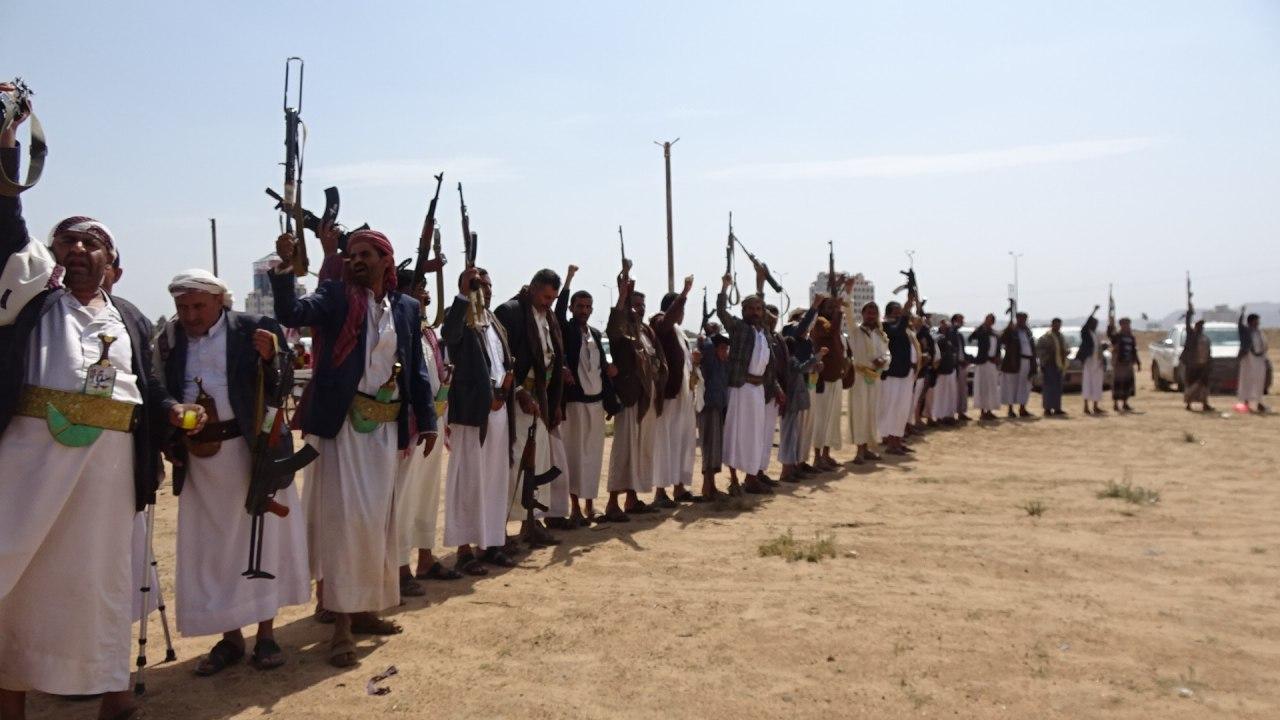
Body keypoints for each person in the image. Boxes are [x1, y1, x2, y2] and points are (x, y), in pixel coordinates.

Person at [1, 96, 199, 720]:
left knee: (103, 582)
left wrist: (172, 413)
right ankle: (11, 700)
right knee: (23, 575)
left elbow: (151, 387)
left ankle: (112, 695)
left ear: (112, 263)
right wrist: (7, 146)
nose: (79, 249)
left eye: (93, 243)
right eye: (67, 241)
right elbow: (6, 223)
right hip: (33, 468)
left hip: (111, 476)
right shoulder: (31, 303)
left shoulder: (131, 318)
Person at [271, 228, 437, 668]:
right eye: (352, 254)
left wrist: (427, 422)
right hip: (342, 429)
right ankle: (342, 625)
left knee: (376, 524)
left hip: (385, 430)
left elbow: (415, 370)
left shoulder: (406, 307)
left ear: (386, 261)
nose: (356, 260)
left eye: (366, 254)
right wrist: (286, 267)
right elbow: (291, 311)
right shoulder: (335, 297)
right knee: (345, 524)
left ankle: (365, 610)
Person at [160, 270, 310, 675]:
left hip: (253, 453)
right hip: (201, 459)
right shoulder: (170, 339)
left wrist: (271, 358)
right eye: (182, 307)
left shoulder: (254, 328)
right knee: (215, 550)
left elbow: (283, 386)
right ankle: (230, 637)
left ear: (219, 301)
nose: (190, 315)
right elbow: (162, 390)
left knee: (262, 543)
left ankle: (266, 635)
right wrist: (171, 439)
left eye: (198, 306)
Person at [441, 266, 516, 574]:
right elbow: (449, 337)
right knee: (468, 480)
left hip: (500, 410)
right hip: (473, 413)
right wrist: (463, 295)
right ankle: (464, 550)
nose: (485, 290)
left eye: (488, 285)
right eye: (478, 285)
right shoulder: (458, 316)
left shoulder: (494, 321)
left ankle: (490, 543)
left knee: (495, 480)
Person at [392, 267, 460, 591]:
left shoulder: (428, 332)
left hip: (433, 422)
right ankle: (399, 568)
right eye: (419, 289)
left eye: (426, 289)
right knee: (404, 498)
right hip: (410, 428)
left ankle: (426, 558)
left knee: (427, 496)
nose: (426, 296)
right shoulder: (398, 330)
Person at [495, 269, 569, 544]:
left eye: (553, 298)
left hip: (541, 401)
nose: (549, 303)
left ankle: (531, 523)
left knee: (538, 464)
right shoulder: (510, 312)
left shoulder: (549, 317)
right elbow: (499, 359)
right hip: (516, 403)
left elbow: (553, 360)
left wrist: (555, 402)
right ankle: (498, 530)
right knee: (512, 464)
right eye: (546, 297)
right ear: (534, 288)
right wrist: (517, 391)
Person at [555, 266, 620, 525]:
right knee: (574, 456)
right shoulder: (566, 329)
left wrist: (610, 399)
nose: (584, 310)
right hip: (575, 406)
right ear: (572, 308)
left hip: (596, 404)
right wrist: (568, 279)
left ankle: (590, 506)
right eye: (579, 306)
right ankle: (574, 508)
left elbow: (601, 368)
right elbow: (558, 311)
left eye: (587, 306)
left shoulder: (595, 334)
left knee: (593, 457)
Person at [716, 269, 783, 495]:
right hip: (740, 388)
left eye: (758, 309)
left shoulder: (764, 332)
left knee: (755, 436)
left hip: (758, 390)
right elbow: (721, 312)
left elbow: (768, 365)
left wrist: (760, 283)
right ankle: (734, 480)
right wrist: (725, 287)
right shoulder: (739, 328)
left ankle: (752, 478)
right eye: (750, 309)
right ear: (743, 311)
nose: (755, 312)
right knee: (736, 433)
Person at [605, 270, 663, 519]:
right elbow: (613, 326)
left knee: (640, 451)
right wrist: (622, 296)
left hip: (647, 399)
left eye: (642, 305)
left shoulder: (646, 332)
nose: (640, 309)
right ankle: (612, 504)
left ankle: (632, 498)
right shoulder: (622, 331)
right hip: (630, 399)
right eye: (635, 304)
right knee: (624, 450)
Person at [650, 277, 699, 505]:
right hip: (668, 396)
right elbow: (666, 322)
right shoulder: (659, 321)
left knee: (683, 441)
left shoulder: (680, 332)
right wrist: (684, 293)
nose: (682, 313)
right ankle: (660, 492)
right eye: (680, 308)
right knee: (665, 442)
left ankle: (679, 488)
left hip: (684, 396)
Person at [778, 298, 824, 481]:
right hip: (792, 388)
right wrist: (814, 307)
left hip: (807, 386)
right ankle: (788, 467)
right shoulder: (790, 331)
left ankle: (800, 462)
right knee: (792, 430)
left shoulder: (807, 341)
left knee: (805, 428)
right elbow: (800, 329)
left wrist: (816, 365)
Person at [809, 279, 852, 470]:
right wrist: (839, 311)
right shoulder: (820, 323)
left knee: (832, 419)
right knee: (821, 419)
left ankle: (826, 455)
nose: (833, 309)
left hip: (835, 378)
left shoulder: (834, 326)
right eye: (830, 307)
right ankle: (817, 457)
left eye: (834, 307)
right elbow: (832, 332)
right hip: (823, 380)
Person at [875, 294, 917, 454]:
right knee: (892, 408)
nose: (900, 314)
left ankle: (897, 439)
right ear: (889, 313)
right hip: (892, 375)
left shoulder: (905, 327)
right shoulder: (885, 326)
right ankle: (891, 442)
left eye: (901, 311)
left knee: (902, 409)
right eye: (897, 311)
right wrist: (906, 311)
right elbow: (897, 331)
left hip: (905, 373)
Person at [848, 301, 888, 462]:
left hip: (875, 377)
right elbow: (848, 312)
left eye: (874, 312)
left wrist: (883, 360)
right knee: (860, 412)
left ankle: (867, 449)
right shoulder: (855, 331)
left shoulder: (880, 334)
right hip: (859, 378)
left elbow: (887, 353)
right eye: (868, 312)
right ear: (863, 314)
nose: (871, 316)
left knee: (872, 413)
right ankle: (859, 450)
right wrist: (847, 293)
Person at [697, 334, 731, 498]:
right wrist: (710, 337)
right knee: (708, 446)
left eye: (726, 349)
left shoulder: (722, 365)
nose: (725, 352)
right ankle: (706, 487)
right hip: (708, 408)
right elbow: (708, 348)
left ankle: (712, 486)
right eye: (722, 349)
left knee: (715, 447)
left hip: (718, 408)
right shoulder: (710, 363)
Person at [1000, 311, 1036, 418]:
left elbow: (1032, 348)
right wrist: (1008, 329)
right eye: (1021, 319)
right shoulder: (1012, 331)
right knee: (1011, 386)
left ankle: (1022, 408)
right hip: (1014, 362)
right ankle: (1010, 409)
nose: (1023, 321)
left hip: (1026, 361)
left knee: (1024, 385)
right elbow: (1002, 340)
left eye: (1024, 319)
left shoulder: (1028, 332)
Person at [968, 313, 1002, 420]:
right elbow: (971, 337)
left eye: (991, 320)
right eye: (987, 319)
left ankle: (989, 410)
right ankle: (982, 411)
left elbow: (998, 348)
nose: (989, 322)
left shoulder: (995, 334)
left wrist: (998, 358)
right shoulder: (981, 332)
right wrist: (982, 326)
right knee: (982, 386)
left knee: (991, 387)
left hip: (992, 364)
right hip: (983, 362)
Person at [1236, 308, 1269, 412]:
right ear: (1251, 321)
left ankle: (1259, 402)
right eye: (1256, 320)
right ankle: (1246, 402)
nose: (1258, 322)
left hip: (1259, 361)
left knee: (1259, 381)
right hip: (1248, 360)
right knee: (1247, 380)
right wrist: (1242, 313)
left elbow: (1264, 345)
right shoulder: (1246, 331)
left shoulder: (1259, 332)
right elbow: (1239, 325)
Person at [1180, 314, 1214, 412]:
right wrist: (1189, 313)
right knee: (1191, 384)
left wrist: (1209, 363)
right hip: (1193, 365)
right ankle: (1189, 403)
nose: (1201, 328)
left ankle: (1204, 403)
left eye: (1202, 327)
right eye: (1199, 326)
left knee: (1203, 385)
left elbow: (1208, 352)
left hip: (1203, 365)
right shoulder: (1191, 336)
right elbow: (1187, 325)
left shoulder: (1205, 338)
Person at [1036, 318, 1068, 417]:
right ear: (1052, 325)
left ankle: (1057, 408)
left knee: (1058, 387)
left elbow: (1064, 348)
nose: (1057, 327)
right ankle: (1047, 408)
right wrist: (1047, 355)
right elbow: (1039, 350)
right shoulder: (1046, 337)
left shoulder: (1061, 337)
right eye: (1056, 325)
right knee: (1048, 387)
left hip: (1059, 365)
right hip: (1049, 364)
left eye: (1059, 325)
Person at [1107, 316, 1140, 412]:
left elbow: (1134, 350)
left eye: (1128, 324)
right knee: (1117, 383)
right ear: (1121, 325)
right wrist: (1111, 324)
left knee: (1127, 383)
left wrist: (1138, 362)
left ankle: (1125, 403)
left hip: (1128, 363)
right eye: (1125, 324)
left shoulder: (1131, 337)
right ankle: (1115, 404)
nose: (1127, 326)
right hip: (1119, 364)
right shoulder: (1117, 336)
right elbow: (1110, 335)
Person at [929, 317, 958, 426]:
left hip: (950, 370)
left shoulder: (950, 337)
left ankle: (948, 416)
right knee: (940, 396)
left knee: (949, 395)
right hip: (941, 372)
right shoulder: (937, 336)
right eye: (944, 325)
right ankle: (938, 417)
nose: (946, 327)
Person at [1078, 306, 1107, 415]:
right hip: (1089, 361)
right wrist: (1094, 311)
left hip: (1098, 362)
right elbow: (1086, 323)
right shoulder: (1085, 333)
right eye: (1093, 323)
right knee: (1087, 382)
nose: (1095, 325)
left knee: (1097, 383)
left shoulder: (1096, 334)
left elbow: (1098, 347)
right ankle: (1086, 406)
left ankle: (1095, 406)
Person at [949, 314, 972, 422]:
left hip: (962, 366)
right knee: (954, 391)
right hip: (954, 367)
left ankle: (961, 412)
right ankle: (951, 414)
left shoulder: (959, 335)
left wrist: (967, 359)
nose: (962, 322)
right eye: (960, 320)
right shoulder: (951, 333)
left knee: (963, 391)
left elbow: (962, 351)